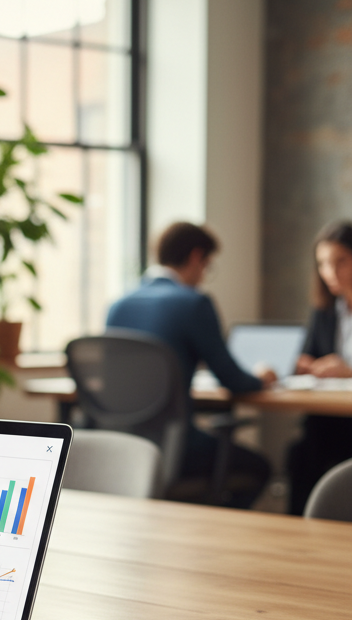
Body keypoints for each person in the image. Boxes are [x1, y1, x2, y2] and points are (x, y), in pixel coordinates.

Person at [105, 222, 277, 508]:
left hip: (122, 446)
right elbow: (232, 379)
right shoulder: (193, 303)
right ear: (197, 257)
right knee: (260, 467)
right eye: (208, 265)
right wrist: (261, 377)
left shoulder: (118, 305)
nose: (204, 275)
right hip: (177, 449)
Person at [286, 220, 352, 515]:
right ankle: (301, 535)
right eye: (323, 264)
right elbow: (309, 354)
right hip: (328, 415)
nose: (331, 272)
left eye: (341, 261)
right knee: (301, 453)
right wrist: (303, 364)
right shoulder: (324, 310)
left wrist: (348, 370)